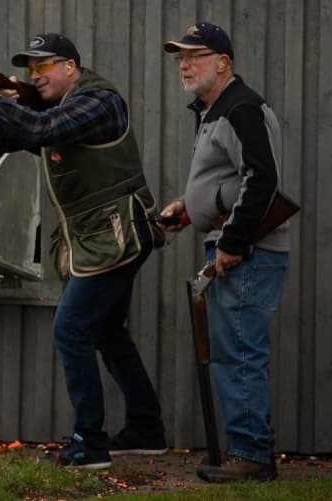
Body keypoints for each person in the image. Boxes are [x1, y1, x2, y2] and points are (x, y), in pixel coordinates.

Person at [0, 33, 168, 469]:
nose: (36, 76)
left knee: (71, 330)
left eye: (43, 67)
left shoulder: (98, 103)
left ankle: (91, 444)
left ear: (70, 67)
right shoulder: (62, 109)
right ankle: (146, 427)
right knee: (106, 332)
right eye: (30, 70)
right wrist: (0, 100)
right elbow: (6, 141)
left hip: (117, 235)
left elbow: (42, 129)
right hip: (100, 239)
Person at [160, 22, 289, 483]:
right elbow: (229, 183)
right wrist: (189, 208)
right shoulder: (217, 110)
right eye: (180, 57)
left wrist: (232, 242)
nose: (184, 64)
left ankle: (251, 455)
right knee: (235, 349)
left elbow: (262, 178)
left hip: (248, 253)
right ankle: (247, 450)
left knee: (239, 352)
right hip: (236, 248)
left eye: (194, 55)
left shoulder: (241, 108)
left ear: (224, 63)